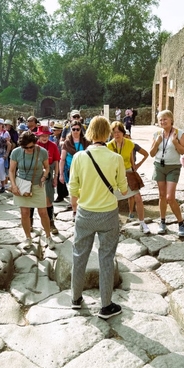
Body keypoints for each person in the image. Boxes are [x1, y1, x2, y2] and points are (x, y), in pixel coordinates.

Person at [69, 116, 128, 319]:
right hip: (108, 213)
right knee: (106, 258)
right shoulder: (116, 158)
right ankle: (105, 304)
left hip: (85, 211)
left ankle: (76, 298)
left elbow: (73, 187)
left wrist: (75, 208)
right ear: (107, 134)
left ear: (89, 132)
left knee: (79, 255)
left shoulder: (79, 156)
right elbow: (123, 188)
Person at [9, 131, 54, 252]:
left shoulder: (42, 152)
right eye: (26, 148)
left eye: (31, 147)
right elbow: (12, 170)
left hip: (37, 185)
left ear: (35, 143)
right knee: (24, 213)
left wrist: (44, 177)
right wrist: (13, 185)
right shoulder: (16, 152)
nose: (29, 149)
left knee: (43, 212)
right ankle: (28, 237)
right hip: (22, 185)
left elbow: (47, 167)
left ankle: (48, 236)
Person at [150, 110, 184, 237]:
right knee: (161, 195)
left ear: (171, 120)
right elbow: (151, 153)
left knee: (170, 197)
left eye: (165, 119)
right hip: (159, 166)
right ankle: (162, 222)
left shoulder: (179, 133)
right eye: (160, 119)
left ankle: (181, 223)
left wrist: (176, 143)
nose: (162, 121)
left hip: (173, 167)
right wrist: (157, 142)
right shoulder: (156, 134)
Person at [108, 121, 150, 234]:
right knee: (113, 200)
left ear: (123, 132)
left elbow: (132, 159)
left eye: (119, 132)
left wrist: (136, 167)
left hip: (128, 172)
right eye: (114, 132)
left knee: (138, 198)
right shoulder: (109, 146)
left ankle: (142, 223)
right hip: (115, 174)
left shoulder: (129, 144)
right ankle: (114, 224)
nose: (117, 134)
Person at [60, 120, 90, 218]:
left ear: (81, 130)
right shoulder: (67, 143)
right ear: (71, 130)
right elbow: (62, 159)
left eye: (78, 129)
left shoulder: (86, 142)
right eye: (74, 129)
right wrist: (60, 174)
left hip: (84, 171)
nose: (76, 131)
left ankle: (83, 210)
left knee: (84, 191)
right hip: (71, 171)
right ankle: (75, 211)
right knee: (73, 192)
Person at [35, 126, 60, 234]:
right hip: (36, 174)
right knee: (33, 199)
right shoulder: (35, 146)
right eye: (42, 135)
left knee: (48, 198)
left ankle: (51, 222)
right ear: (39, 136)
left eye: (46, 135)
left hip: (49, 174)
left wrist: (56, 177)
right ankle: (30, 222)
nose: (45, 137)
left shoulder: (53, 146)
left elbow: (56, 161)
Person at [51, 123, 68, 203]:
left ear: (59, 131)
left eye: (54, 130)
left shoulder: (63, 139)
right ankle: (64, 192)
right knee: (61, 176)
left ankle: (60, 195)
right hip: (57, 159)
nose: (53, 131)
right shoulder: (55, 138)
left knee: (59, 176)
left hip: (62, 160)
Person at [0, 119, 11, 193]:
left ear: (1, 124)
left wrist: (6, 154)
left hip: (1, 155)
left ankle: (3, 186)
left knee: (1, 171)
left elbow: (9, 144)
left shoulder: (5, 133)